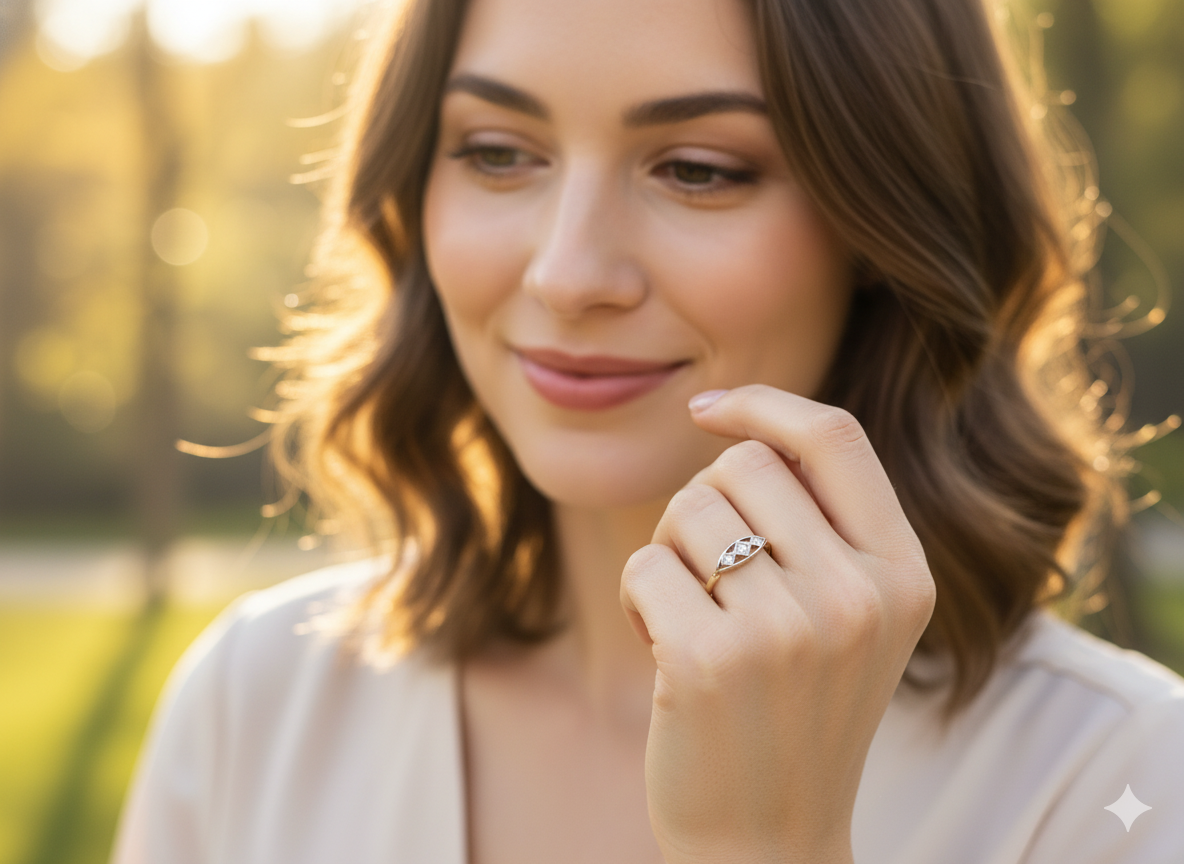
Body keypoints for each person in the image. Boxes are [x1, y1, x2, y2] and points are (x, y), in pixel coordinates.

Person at [111, 0, 1184, 862]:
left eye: (698, 169)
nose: (567, 273)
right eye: (497, 151)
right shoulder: (258, 704)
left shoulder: (1120, 781)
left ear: (882, 223)